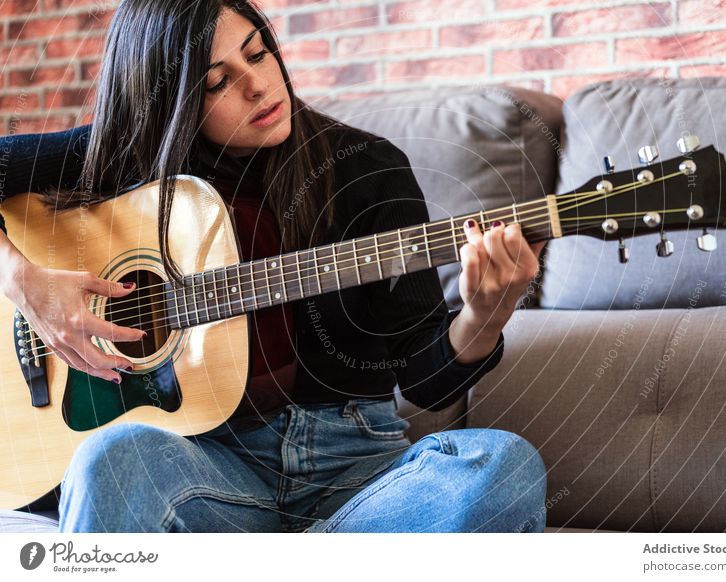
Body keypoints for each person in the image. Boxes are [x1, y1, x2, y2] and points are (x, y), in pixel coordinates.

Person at [0, 0, 548, 533]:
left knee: (505, 468)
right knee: (108, 459)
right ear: (169, 105)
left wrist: (486, 314)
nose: (258, 86)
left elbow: (425, 384)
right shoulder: (125, 164)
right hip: (209, 467)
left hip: (359, 469)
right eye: (217, 82)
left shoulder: (366, 168)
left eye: (258, 54)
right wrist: (24, 281)